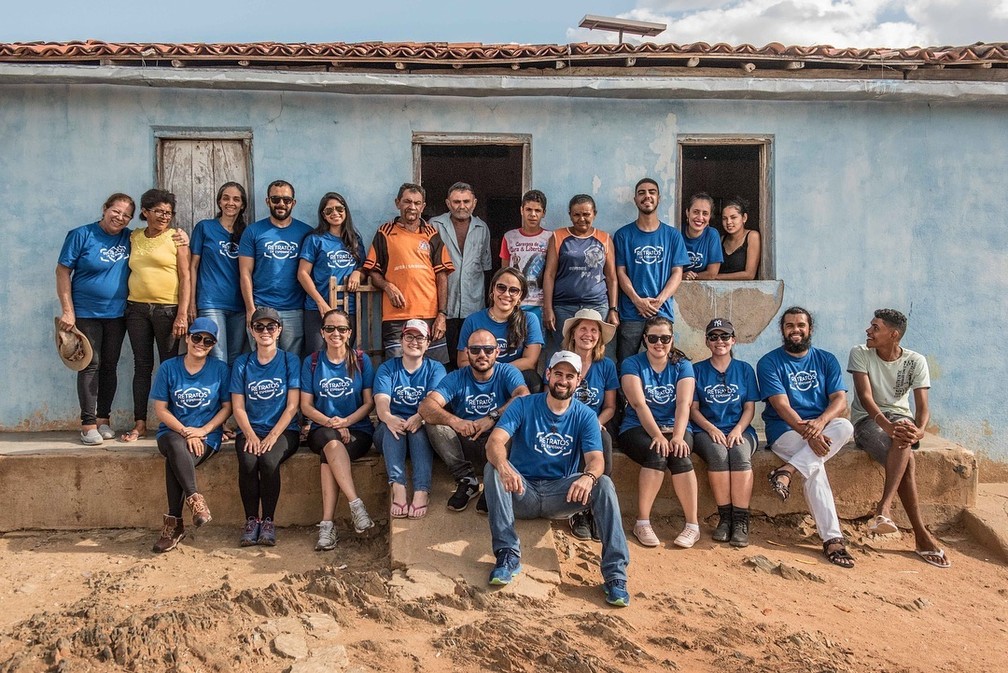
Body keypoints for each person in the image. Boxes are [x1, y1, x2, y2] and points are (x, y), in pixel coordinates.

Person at [483, 351, 631, 607]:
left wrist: (587, 476)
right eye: (558, 374)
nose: (563, 380)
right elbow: (495, 442)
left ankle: (615, 576)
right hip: (522, 490)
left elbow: (597, 460)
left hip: (560, 494)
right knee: (493, 467)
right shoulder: (523, 405)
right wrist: (505, 465)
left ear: (578, 381)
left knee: (603, 483)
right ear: (548, 374)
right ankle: (507, 555)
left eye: (570, 376)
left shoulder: (584, 415)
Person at [848, 309, 950, 568]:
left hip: (901, 421)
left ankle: (884, 511)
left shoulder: (916, 361)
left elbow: (923, 406)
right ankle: (917, 532)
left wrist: (921, 430)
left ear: (893, 335)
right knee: (908, 459)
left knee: (904, 434)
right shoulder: (861, 353)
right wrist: (888, 427)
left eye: (875, 327)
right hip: (868, 421)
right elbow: (865, 398)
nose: (868, 331)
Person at [759, 306, 856, 568]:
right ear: (782, 330)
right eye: (789, 325)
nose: (795, 330)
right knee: (815, 470)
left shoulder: (826, 359)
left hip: (821, 428)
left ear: (809, 328)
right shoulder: (769, 362)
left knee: (845, 427)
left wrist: (820, 424)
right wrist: (808, 432)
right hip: (785, 430)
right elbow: (781, 406)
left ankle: (788, 469)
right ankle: (833, 539)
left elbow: (840, 400)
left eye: (800, 325)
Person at [419, 329, 529, 512]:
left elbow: (523, 396)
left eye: (488, 349)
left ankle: (493, 482)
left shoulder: (507, 371)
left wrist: (492, 417)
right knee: (433, 423)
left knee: (514, 422)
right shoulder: (456, 377)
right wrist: (456, 422)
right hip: (466, 443)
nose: (482, 355)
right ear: (467, 352)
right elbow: (425, 407)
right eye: (476, 350)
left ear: (497, 351)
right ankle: (467, 481)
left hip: (499, 446)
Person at [56, 193, 135, 445]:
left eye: (126, 215)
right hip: (86, 312)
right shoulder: (81, 234)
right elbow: (62, 271)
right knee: (91, 364)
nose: (120, 218)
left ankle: (103, 420)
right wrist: (68, 310)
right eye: (116, 211)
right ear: (104, 209)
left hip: (118, 314)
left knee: (109, 365)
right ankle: (88, 424)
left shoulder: (129, 237)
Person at [149, 317, 231, 553]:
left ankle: (173, 525)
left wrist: (203, 431)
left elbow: (227, 407)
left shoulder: (219, 370)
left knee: (175, 462)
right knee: (176, 446)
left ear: (213, 345)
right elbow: (161, 410)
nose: (200, 343)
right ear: (187, 338)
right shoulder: (169, 368)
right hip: (172, 432)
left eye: (207, 341)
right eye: (196, 337)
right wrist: (186, 431)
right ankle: (195, 499)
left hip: (206, 437)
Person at [619, 316, 700, 548]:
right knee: (657, 453)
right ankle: (642, 522)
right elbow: (639, 404)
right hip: (637, 427)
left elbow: (683, 404)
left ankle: (692, 525)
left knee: (680, 453)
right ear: (645, 339)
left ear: (672, 339)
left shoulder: (682, 365)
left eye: (665, 338)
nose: (659, 343)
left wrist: (676, 435)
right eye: (653, 338)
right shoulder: (632, 364)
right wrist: (657, 435)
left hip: (676, 426)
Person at [300, 309, 376, 551]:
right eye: (330, 328)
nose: (336, 333)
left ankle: (327, 525)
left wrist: (346, 422)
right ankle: (356, 505)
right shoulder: (312, 361)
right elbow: (305, 406)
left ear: (349, 333)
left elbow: (369, 403)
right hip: (322, 428)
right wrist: (333, 423)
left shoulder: (362, 360)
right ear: (322, 332)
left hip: (358, 430)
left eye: (341, 329)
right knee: (330, 441)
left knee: (329, 452)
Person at [121, 188, 191, 443]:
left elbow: (186, 277)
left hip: (168, 311)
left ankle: (171, 422)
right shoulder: (134, 237)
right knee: (142, 366)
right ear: (145, 212)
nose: (164, 216)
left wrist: (182, 314)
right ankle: (140, 423)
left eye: (169, 213)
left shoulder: (177, 238)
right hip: (136, 309)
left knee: (169, 367)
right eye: (159, 211)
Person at [230, 308, 301, 547]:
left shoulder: (289, 360)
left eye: (271, 326)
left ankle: (268, 521)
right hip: (250, 429)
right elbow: (238, 406)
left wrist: (272, 435)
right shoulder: (243, 363)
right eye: (259, 327)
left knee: (269, 461)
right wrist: (249, 433)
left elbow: (292, 406)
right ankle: (251, 520)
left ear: (279, 330)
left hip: (283, 430)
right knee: (249, 462)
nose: (265, 331)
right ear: (251, 330)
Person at [363, 183, 454, 364]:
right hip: (396, 317)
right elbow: (373, 270)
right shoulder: (385, 232)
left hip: (429, 315)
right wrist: (387, 286)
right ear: (398, 203)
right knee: (397, 370)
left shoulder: (431, 233)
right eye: (407, 202)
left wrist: (442, 314)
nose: (412, 207)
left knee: (435, 369)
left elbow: (442, 276)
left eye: (417, 203)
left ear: (423, 206)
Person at [689, 318, 760, 547]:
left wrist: (738, 429)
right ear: (707, 342)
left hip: (741, 429)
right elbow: (693, 409)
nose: (720, 341)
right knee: (719, 455)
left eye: (725, 336)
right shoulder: (696, 370)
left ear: (733, 340)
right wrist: (711, 429)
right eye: (714, 337)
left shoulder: (744, 369)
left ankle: (740, 520)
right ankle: (725, 518)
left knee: (739, 454)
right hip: (706, 430)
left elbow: (750, 407)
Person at [373, 320, 446, 520]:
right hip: (389, 434)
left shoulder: (436, 368)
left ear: (428, 343)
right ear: (401, 340)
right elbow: (381, 402)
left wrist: (419, 416)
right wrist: (388, 418)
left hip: (419, 425)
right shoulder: (387, 368)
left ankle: (422, 490)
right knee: (391, 427)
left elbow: (432, 402)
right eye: (409, 336)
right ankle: (398, 487)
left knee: (419, 429)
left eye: (420, 337)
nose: (414, 342)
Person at [613, 178, 689, 365]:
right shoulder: (623, 235)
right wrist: (637, 300)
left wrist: (660, 299)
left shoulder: (672, 235)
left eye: (652, 192)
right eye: (642, 192)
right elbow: (619, 272)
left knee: (663, 363)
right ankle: (626, 396)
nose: (647, 196)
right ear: (635, 199)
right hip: (631, 312)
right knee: (626, 363)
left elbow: (677, 273)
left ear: (659, 198)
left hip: (662, 311)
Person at [559, 308, 618, 540]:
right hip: (565, 421)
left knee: (603, 439)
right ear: (573, 333)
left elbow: (610, 407)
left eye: (594, 330)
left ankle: (597, 508)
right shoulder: (561, 360)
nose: (588, 334)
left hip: (595, 422)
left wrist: (594, 421)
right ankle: (578, 510)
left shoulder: (606, 366)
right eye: (583, 328)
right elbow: (551, 399)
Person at [238, 179, 313, 356]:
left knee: (292, 361)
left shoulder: (306, 232)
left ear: (293, 203)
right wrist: (250, 309)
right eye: (275, 199)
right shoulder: (253, 231)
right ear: (267, 201)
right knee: (262, 360)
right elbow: (245, 272)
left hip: (294, 309)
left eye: (286, 200)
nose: (281, 204)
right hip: (262, 307)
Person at [541, 194, 619, 360]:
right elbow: (549, 274)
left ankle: (595, 386)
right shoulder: (558, 237)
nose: (581, 219)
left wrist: (613, 309)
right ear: (570, 214)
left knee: (598, 353)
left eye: (586, 214)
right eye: (576, 214)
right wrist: (548, 308)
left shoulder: (604, 239)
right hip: (563, 307)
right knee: (563, 354)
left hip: (597, 306)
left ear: (594, 214)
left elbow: (612, 277)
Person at [430, 182, 492, 367]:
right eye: (457, 202)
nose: (462, 206)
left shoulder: (482, 228)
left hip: (473, 303)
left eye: (466, 201)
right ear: (448, 203)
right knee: (442, 357)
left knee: (469, 354)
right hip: (442, 305)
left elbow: (486, 267)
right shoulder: (435, 224)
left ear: (474, 203)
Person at [457, 268, 544, 393]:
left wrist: (497, 370)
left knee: (533, 380)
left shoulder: (529, 319)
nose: (506, 294)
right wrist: (488, 372)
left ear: (520, 296)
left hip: (513, 378)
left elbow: (530, 362)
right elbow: (462, 361)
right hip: (480, 376)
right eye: (501, 287)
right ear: (493, 289)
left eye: (513, 290)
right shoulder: (472, 320)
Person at [188, 182, 248, 365]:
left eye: (236, 199)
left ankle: (232, 395)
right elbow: (193, 266)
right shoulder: (205, 228)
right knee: (218, 357)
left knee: (235, 359)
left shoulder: (246, 233)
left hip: (239, 305)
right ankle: (219, 395)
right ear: (219, 202)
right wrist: (191, 303)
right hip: (211, 302)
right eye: (226, 198)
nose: (231, 203)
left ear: (242, 205)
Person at [298, 191, 365, 354]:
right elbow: (302, 274)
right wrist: (321, 304)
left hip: (349, 309)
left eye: (339, 209)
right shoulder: (315, 239)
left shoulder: (354, 239)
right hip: (318, 309)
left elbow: (365, 268)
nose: (335, 213)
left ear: (346, 211)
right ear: (323, 215)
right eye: (329, 211)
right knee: (317, 356)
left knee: (344, 355)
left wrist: (358, 273)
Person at [500, 189, 552, 324]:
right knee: (514, 341)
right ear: (521, 210)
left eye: (538, 211)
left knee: (537, 342)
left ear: (544, 213)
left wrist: (548, 306)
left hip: (539, 304)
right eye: (528, 209)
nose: (533, 215)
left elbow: (551, 273)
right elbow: (503, 272)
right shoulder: (509, 237)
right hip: (514, 303)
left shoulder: (550, 238)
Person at [717, 197, 761, 280]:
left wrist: (715, 277)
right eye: (724, 218)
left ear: (744, 218)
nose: (728, 222)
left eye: (733, 217)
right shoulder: (721, 240)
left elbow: (749, 275)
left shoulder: (752, 236)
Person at [681, 193, 722, 281]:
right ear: (687, 213)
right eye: (696, 212)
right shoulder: (677, 233)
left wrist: (691, 277)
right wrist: (682, 276)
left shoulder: (712, 235)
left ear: (710, 217)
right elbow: (666, 269)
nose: (700, 217)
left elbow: (712, 274)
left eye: (705, 213)